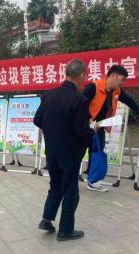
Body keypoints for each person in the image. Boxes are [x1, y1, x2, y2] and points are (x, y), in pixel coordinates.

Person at [34, 59, 95, 241]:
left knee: (55, 186)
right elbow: (81, 131)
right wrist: (92, 130)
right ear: (81, 75)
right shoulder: (79, 99)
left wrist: (53, 131)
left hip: (52, 151)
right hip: (70, 153)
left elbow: (37, 120)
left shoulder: (49, 95)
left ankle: (46, 219)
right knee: (70, 190)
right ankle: (66, 230)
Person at [83, 65, 139, 192]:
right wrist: (89, 120)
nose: (122, 82)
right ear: (114, 76)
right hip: (84, 126)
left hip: (99, 127)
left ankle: (92, 181)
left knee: (97, 152)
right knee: (78, 152)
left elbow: (129, 101)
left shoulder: (117, 91)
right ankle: (68, 178)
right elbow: (81, 104)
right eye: (122, 79)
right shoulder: (93, 87)